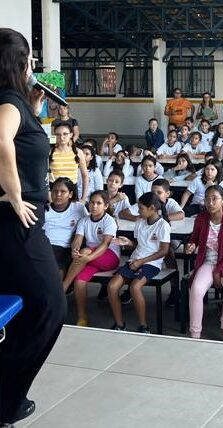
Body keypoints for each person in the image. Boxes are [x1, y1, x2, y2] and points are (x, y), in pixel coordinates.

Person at [0, 28, 66, 425]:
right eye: (31, 60)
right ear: (18, 64)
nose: (34, 67)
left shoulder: (16, 101)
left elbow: (22, 144)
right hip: (16, 222)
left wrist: (35, 107)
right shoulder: (8, 101)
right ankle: (5, 400)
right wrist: (12, 191)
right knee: (49, 307)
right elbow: (1, 139)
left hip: (19, 222)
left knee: (30, 310)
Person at [108, 192, 171, 333]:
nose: (138, 211)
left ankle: (144, 326)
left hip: (152, 263)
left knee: (135, 287)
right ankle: (120, 324)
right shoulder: (140, 222)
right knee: (112, 286)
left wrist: (142, 261)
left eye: (141, 208)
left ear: (152, 208)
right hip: (135, 259)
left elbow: (163, 251)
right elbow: (138, 244)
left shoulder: (163, 225)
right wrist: (128, 242)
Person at [186, 185, 223, 340]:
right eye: (207, 199)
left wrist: (218, 270)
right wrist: (192, 245)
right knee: (196, 289)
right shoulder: (201, 218)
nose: (210, 203)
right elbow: (195, 238)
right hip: (208, 261)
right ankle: (195, 331)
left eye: (214, 199)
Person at [63, 191, 120, 324]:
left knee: (86, 250)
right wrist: (75, 250)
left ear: (106, 206)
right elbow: (77, 239)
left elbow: (105, 245)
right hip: (89, 258)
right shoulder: (84, 220)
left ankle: (64, 286)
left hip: (109, 257)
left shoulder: (109, 221)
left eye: (98, 203)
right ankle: (82, 317)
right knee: (79, 281)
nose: (94, 206)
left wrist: (87, 256)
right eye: (92, 203)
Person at [44, 178, 88, 278]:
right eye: (55, 191)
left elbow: (88, 225)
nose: (58, 195)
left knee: (57, 272)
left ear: (71, 194)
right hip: (46, 247)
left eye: (63, 192)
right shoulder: (45, 209)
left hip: (67, 248)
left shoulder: (78, 208)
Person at [50, 123, 90, 204]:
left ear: (71, 135)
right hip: (54, 191)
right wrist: (49, 197)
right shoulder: (49, 152)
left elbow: (85, 176)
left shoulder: (78, 152)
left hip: (71, 191)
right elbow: (44, 177)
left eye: (65, 134)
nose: (61, 137)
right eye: (58, 134)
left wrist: (83, 198)